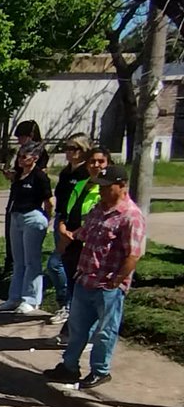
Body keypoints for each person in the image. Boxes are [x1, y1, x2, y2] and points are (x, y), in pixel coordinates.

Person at [44, 163, 145, 389]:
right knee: (77, 328)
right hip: (85, 278)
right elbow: (86, 232)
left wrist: (117, 281)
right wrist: (69, 234)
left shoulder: (131, 216)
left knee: (104, 331)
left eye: (107, 187)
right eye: (100, 187)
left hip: (107, 285)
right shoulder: (99, 208)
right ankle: (69, 367)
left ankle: (100, 371)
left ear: (122, 186)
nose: (102, 191)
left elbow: (133, 255)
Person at [53, 146, 108, 345]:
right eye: (92, 161)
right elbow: (67, 211)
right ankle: (73, 332)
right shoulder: (82, 184)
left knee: (88, 295)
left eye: (100, 162)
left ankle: (87, 336)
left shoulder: (106, 190)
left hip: (90, 246)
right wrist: (62, 227)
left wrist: (75, 234)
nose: (96, 165)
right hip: (72, 244)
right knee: (74, 291)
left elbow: (100, 220)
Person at [0, 141, 53, 314]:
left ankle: (31, 299)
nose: (20, 160)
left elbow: (49, 201)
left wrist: (47, 218)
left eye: (24, 157)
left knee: (32, 261)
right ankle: (14, 297)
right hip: (16, 217)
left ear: (35, 158)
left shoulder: (39, 176)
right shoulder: (19, 176)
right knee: (18, 260)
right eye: (19, 156)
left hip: (33, 217)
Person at [45, 134, 93, 327]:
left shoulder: (86, 174)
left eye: (74, 148)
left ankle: (68, 304)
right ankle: (67, 304)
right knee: (61, 264)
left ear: (84, 151)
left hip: (77, 226)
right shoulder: (66, 173)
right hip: (61, 221)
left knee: (56, 264)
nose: (69, 152)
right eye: (67, 148)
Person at [3, 120, 48, 275]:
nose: (20, 141)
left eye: (22, 137)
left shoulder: (38, 153)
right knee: (11, 231)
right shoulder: (22, 152)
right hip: (16, 197)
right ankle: (11, 261)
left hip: (30, 203)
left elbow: (40, 180)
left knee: (29, 252)